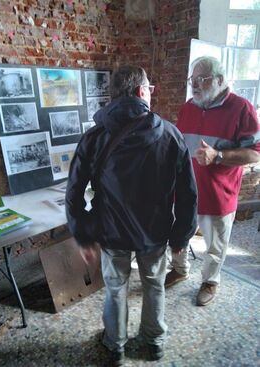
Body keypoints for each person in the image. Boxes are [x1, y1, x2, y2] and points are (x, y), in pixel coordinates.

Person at [66, 65, 197, 366]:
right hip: (154, 232)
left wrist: (84, 235)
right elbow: (188, 193)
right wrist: (182, 234)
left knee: (115, 288)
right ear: (141, 92)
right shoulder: (171, 135)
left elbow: (74, 191)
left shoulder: (94, 137)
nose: (151, 92)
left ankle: (115, 346)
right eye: (150, 88)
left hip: (111, 232)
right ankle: (153, 343)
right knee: (154, 284)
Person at [165, 56, 260, 307]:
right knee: (179, 233)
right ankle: (180, 268)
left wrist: (218, 156)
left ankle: (210, 281)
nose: (194, 85)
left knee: (214, 245)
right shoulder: (188, 107)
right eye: (192, 80)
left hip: (219, 194)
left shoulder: (242, 108)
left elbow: (255, 152)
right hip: (184, 191)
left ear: (218, 80)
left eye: (201, 79)